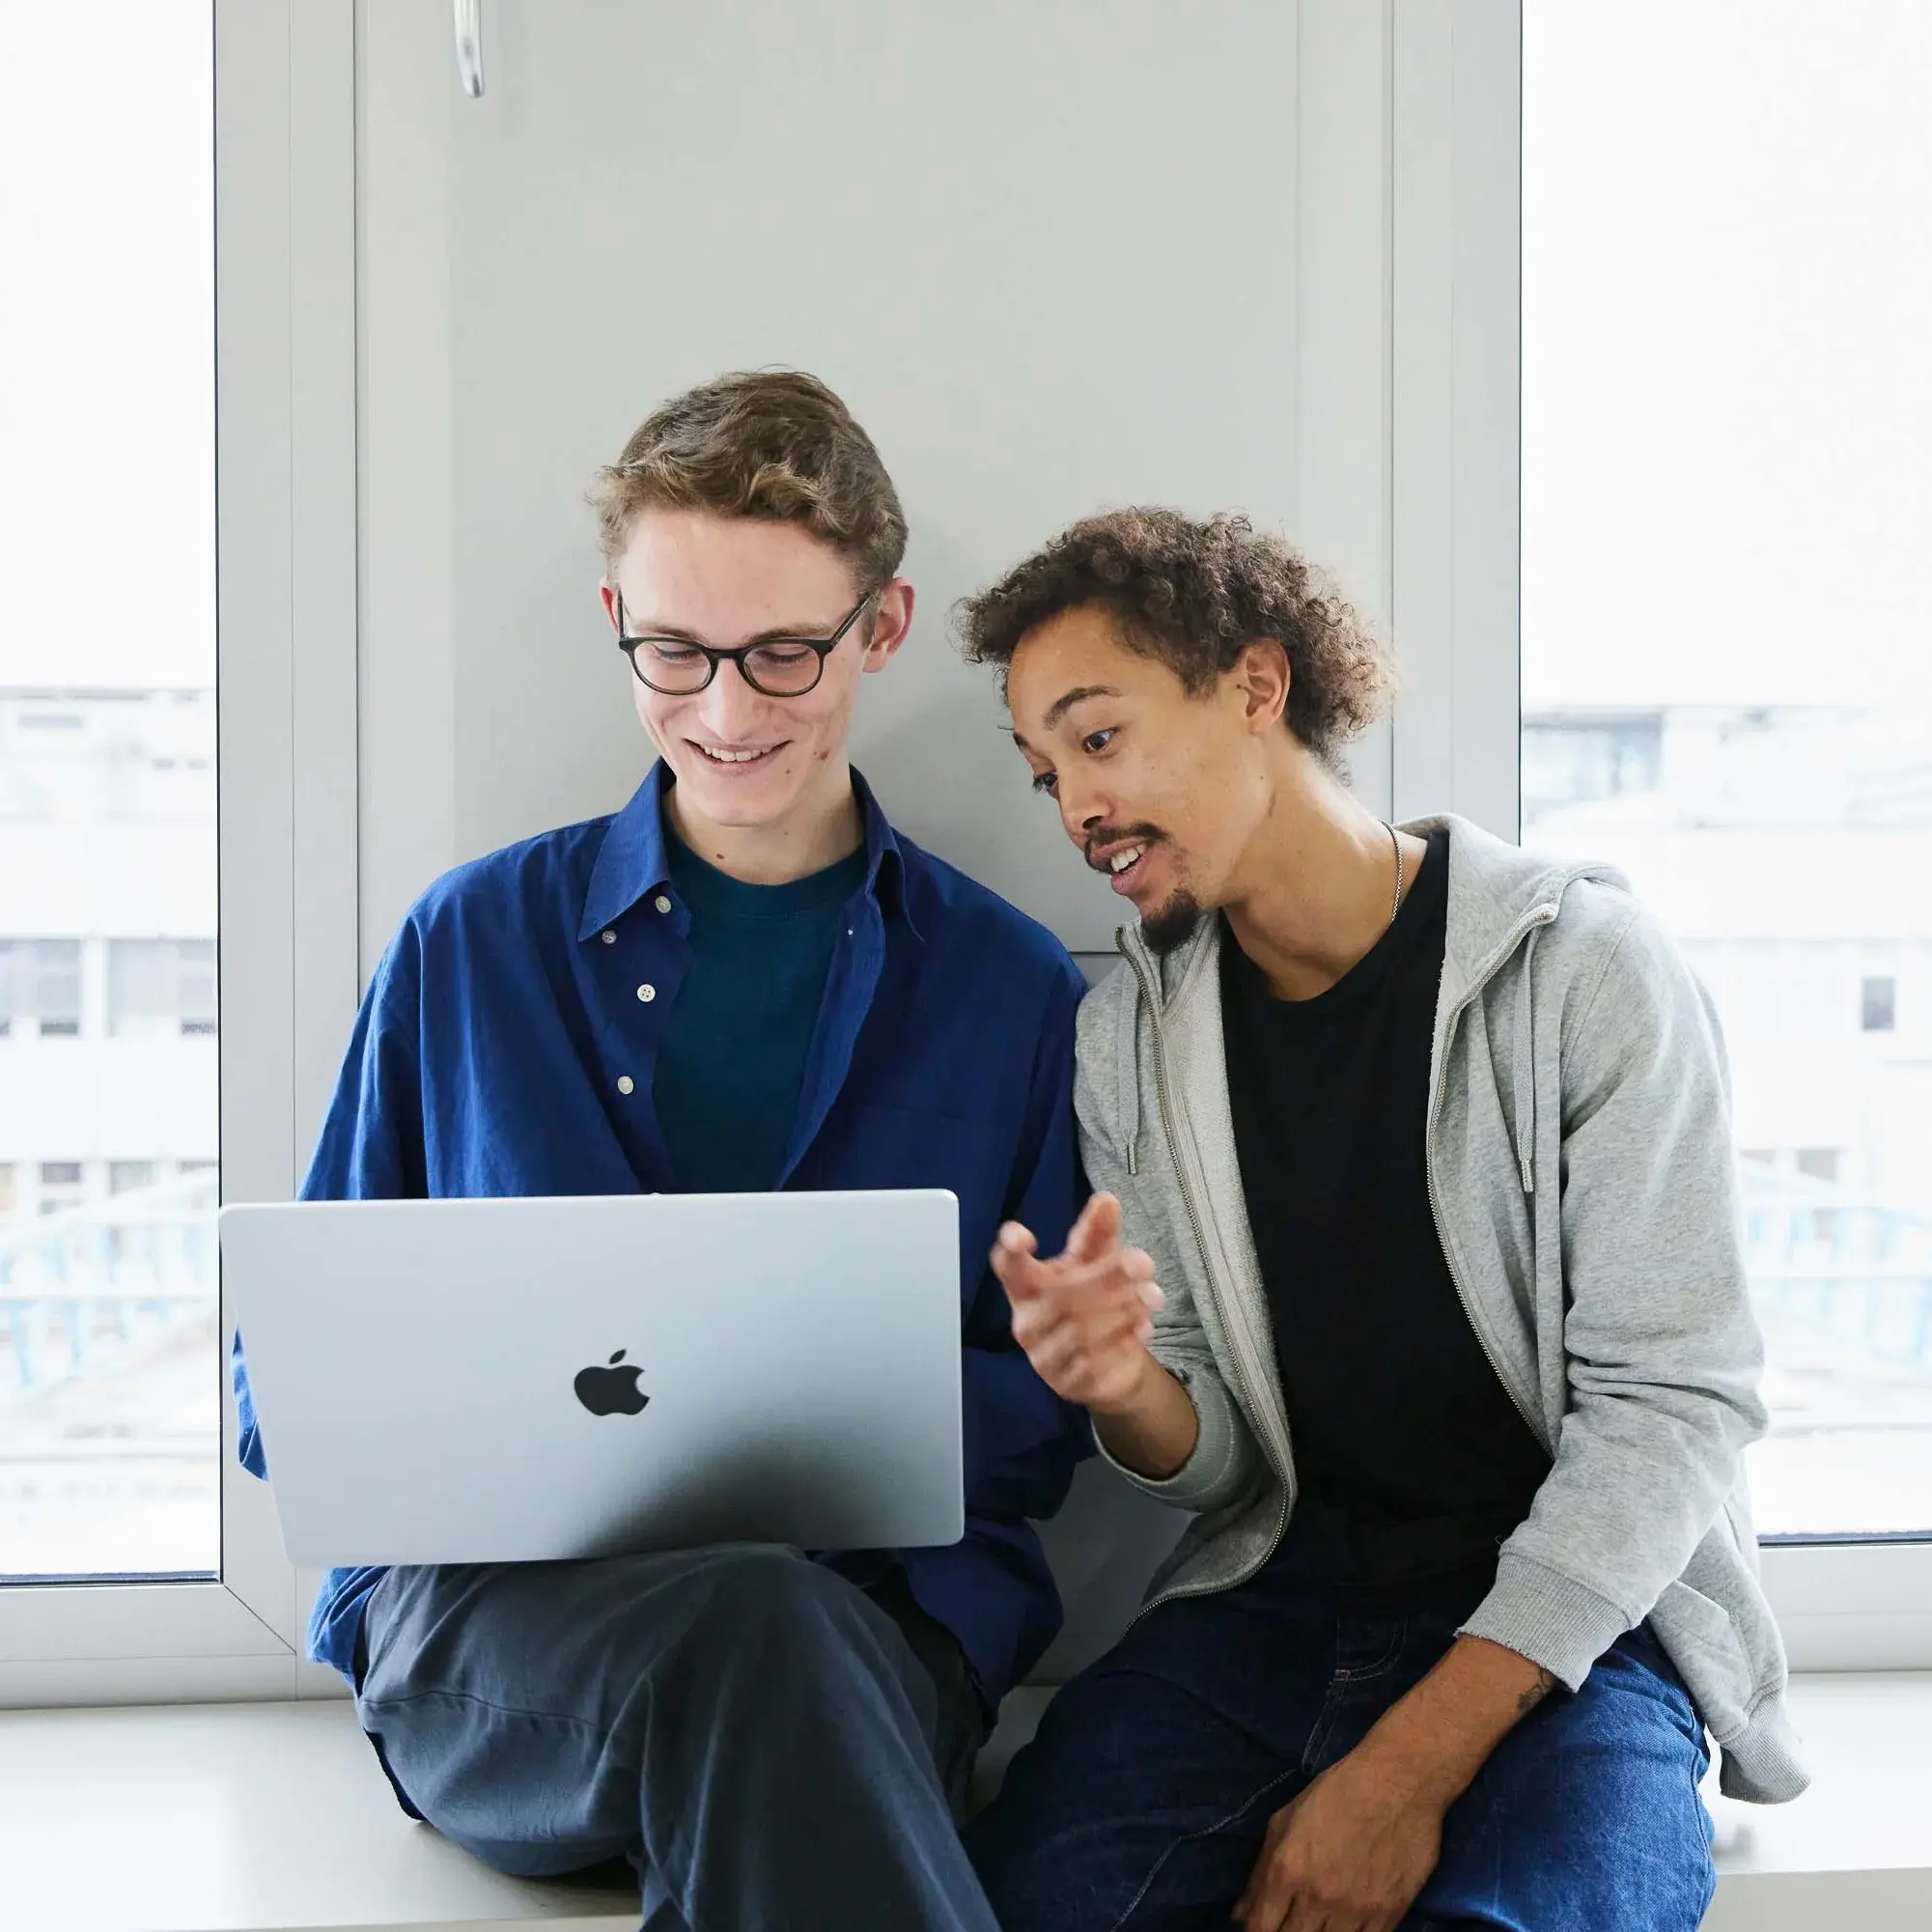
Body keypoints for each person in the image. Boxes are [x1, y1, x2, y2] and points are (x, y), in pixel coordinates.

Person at [231, 371, 1090, 1932]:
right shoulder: (470, 944)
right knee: (764, 1639)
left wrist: (788, 1439)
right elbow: (288, 1390)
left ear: (882, 627)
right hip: (501, 1646)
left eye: (783, 653)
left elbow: (1045, 1429)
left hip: (875, 1631)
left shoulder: (1013, 990)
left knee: (776, 1638)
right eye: (676, 652)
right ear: (620, 615)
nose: (727, 710)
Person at [957, 508, 1806, 1932]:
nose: (1076, 810)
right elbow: (1223, 1452)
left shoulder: (1580, 971)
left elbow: (1676, 1408)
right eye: (1047, 774)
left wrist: (1404, 1771)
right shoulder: (1131, 1042)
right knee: (1024, 1904)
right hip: (1280, 1609)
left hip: (1572, 1638)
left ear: (1256, 683)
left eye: (1097, 739)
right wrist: (1127, 1392)